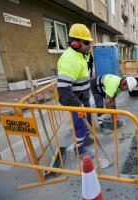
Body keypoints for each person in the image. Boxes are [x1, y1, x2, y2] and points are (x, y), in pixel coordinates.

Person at [57, 23, 94, 155]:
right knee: (80, 127)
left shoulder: (83, 55)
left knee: (88, 122)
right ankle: (79, 149)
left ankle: (87, 139)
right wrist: (79, 106)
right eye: (87, 43)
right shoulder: (69, 60)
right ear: (76, 44)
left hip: (84, 99)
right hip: (77, 102)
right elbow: (63, 91)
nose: (89, 46)